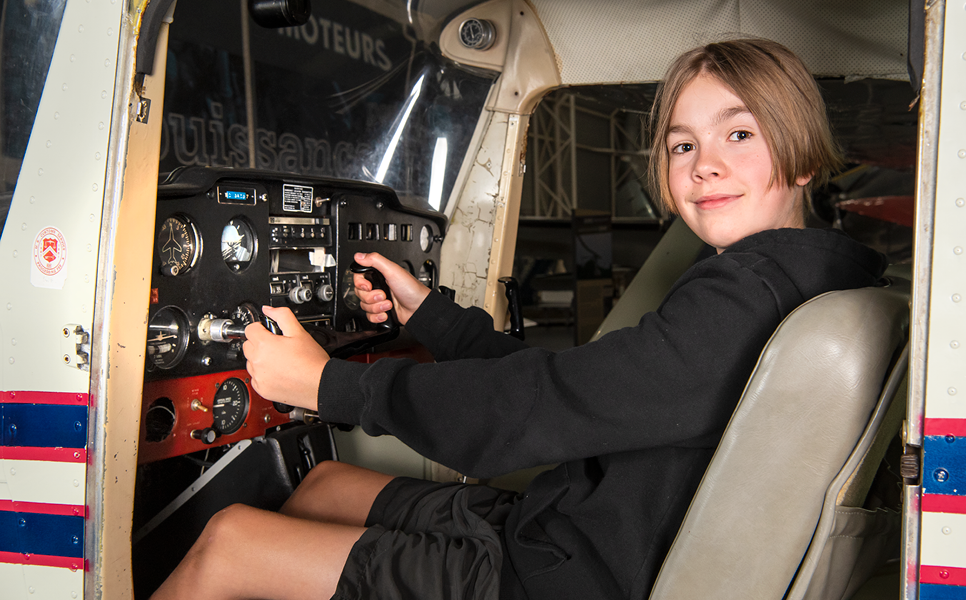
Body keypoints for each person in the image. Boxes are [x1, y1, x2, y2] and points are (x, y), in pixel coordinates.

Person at [150, 38, 887, 600]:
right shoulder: (806, 270)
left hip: (559, 579)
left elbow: (549, 405)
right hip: (575, 531)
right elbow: (592, 387)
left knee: (226, 543)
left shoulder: (744, 292)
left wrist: (330, 385)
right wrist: (431, 317)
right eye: (682, 144)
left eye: (739, 134)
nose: (702, 165)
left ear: (800, 158)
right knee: (321, 489)